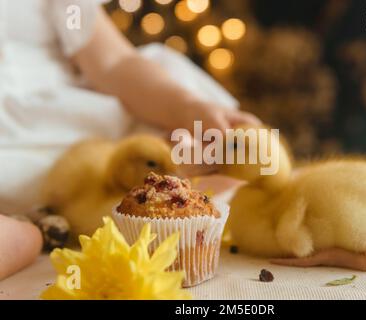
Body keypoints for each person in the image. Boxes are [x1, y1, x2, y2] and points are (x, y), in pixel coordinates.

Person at [0, 0, 260, 280]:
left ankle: (195, 188)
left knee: (226, 158)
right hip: (16, 154)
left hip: (88, 113)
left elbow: (113, 63)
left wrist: (186, 108)